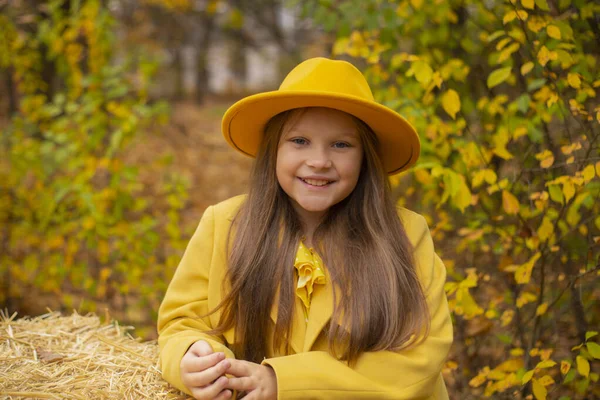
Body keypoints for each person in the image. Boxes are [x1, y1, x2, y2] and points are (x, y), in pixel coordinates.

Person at [157, 57, 453, 400]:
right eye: (299, 141)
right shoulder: (224, 225)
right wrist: (191, 356)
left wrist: (284, 383)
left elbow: (421, 355)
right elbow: (182, 322)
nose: (319, 161)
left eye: (341, 144)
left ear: (365, 157)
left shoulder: (405, 235)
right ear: (273, 150)